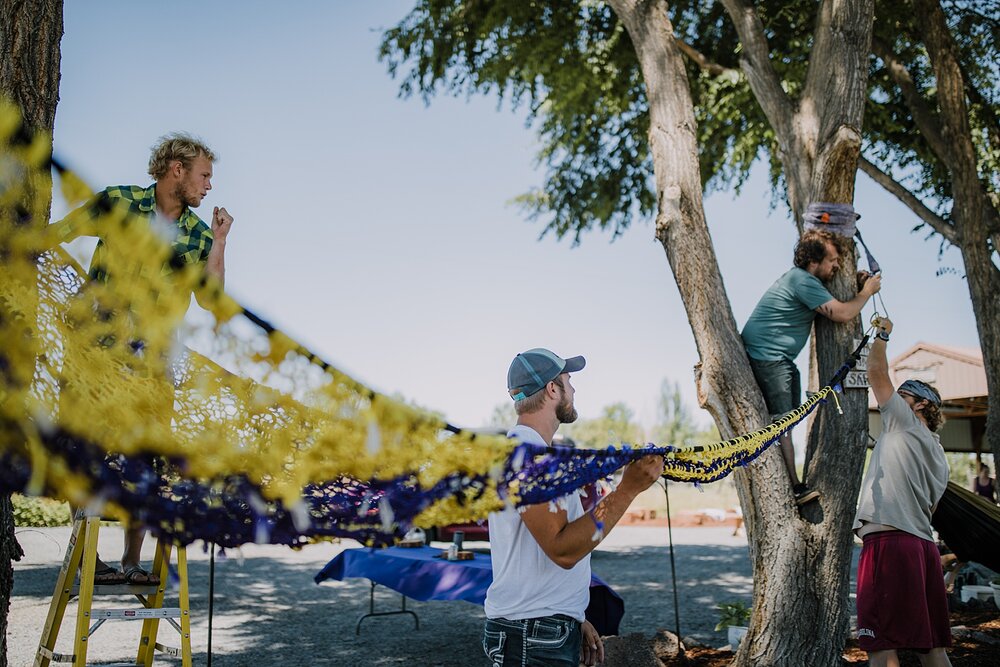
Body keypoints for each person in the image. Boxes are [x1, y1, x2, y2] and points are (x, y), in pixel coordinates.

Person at [50, 133, 234, 585]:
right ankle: (86, 559)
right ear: (178, 170)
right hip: (93, 354)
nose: (209, 186)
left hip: (153, 364)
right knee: (81, 452)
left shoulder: (196, 234)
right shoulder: (118, 202)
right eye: (204, 175)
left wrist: (220, 243)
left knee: (146, 461)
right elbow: (58, 234)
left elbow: (211, 301)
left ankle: (131, 562)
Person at [483, 348, 663, 667]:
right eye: (568, 379)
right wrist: (628, 489)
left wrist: (571, 616)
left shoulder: (531, 453)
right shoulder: (529, 457)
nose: (574, 388)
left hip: (540, 626)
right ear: (553, 388)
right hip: (532, 634)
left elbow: (538, 551)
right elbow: (562, 549)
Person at [741, 229, 882, 505]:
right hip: (768, 357)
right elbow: (842, 313)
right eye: (832, 260)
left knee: (789, 421)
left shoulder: (805, 282)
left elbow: (835, 302)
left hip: (778, 358)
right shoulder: (801, 280)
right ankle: (794, 487)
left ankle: (794, 484)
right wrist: (866, 292)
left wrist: (854, 284)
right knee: (782, 423)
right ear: (813, 262)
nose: (837, 265)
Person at [853, 317, 952, 667]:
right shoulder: (939, 456)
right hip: (922, 548)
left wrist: (882, 335)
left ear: (921, 405)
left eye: (904, 395)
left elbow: (877, 375)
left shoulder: (903, 421)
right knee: (931, 649)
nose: (895, 399)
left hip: (889, 547)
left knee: (881, 646)